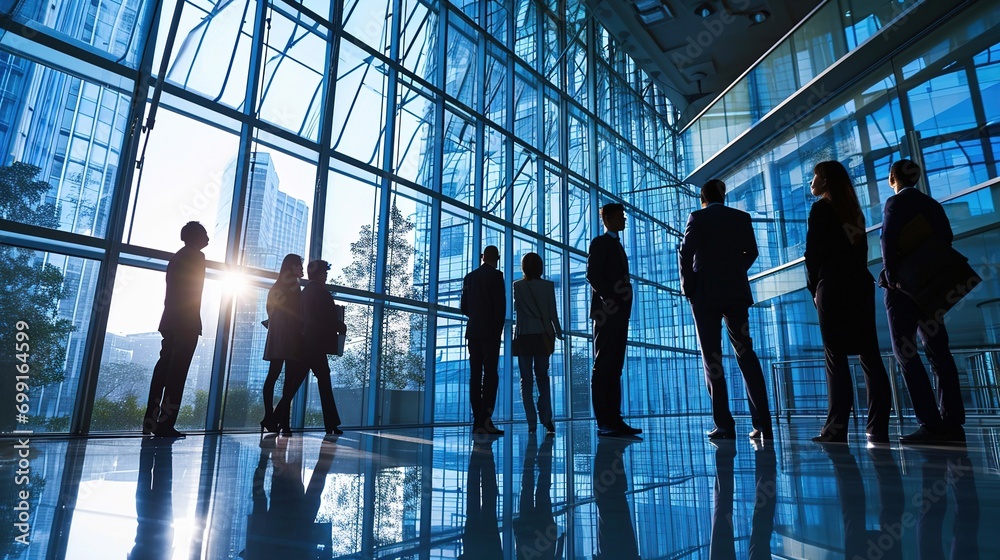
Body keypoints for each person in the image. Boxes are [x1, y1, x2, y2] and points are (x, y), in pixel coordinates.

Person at [805, 161, 892, 445]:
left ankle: (836, 428)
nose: (811, 181)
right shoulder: (854, 212)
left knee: (835, 358)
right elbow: (861, 253)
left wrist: (814, 290)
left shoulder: (820, 209)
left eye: (815, 176)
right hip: (858, 286)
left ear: (826, 181)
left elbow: (812, 256)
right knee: (870, 355)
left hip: (832, 286)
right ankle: (877, 427)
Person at [879, 159, 966, 445]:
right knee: (939, 352)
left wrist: (892, 278)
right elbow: (947, 239)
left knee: (906, 353)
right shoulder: (933, 205)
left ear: (893, 177)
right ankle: (953, 421)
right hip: (930, 289)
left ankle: (929, 423)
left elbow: (887, 243)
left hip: (903, 290)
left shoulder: (894, 203)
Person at [679, 180, 772, 441]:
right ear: (724, 195)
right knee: (746, 353)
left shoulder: (697, 217)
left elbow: (686, 255)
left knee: (713, 359)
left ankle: (724, 425)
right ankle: (763, 424)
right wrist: (734, 271)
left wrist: (690, 287)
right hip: (736, 293)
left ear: (702, 198)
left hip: (705, 295)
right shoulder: (741, 217)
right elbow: (751, 252)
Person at [143, 221, 208, 438]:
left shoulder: (177, 256)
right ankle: (165, 424)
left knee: (163, 372)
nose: (208, 238)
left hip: (170, 321)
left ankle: (150, 422)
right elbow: (193, 294)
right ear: (196, 237)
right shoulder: (196, 257)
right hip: (185, 323)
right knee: (176, 375)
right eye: (205, 234)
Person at [273, 259, 346, 436]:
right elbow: (326, 318)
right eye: (325, 273)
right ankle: (331, 424)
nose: (326, 276)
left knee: (295, 384)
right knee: (324, 382)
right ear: (320, 274)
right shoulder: (321, 293)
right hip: (316, 345)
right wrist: (341, 326)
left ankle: (276, 418)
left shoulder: (305, 292)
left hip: (305, 344)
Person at [587, 203, 641, 437]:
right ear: (607, 218)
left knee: (614, 366)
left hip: (618, 313)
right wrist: (608, 298)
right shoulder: (601, 243)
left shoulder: (616, 245)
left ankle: (614, 418)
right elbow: (593, 274)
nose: (624, 219)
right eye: (621, 216)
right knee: (604, 365)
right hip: (607, 313)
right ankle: (605, 421)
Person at [512, 252, 564, 434]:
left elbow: (516, 311)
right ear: (541, 267)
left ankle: (531, 422)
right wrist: (558, 332)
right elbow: (552, 313)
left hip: (524, 336)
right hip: (543, 337)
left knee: (526, 380)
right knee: (542, 378)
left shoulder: (517, 286)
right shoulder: (548, 286)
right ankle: (547, 419)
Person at [461, 245, 506, 436]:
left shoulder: (469, 277)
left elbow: (464, 307)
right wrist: (497, 330)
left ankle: (477, 421)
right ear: (498, 257)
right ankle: (485, 421)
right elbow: (500, 307)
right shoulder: (497, 277)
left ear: (482, 257)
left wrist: (476, 317)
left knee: (475, 376)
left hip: (473, 332)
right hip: (490, 333)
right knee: (490, 376)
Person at [260, 254, 305, 434]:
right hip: (291, 335)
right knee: (289, 380)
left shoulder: (276, 286)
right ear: (292, 267)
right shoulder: (295, 287)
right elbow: (299, 313)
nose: (301, 269)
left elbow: (270, 311)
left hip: (276, 335)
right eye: (299, 266)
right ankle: (284, 423)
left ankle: (269, 417)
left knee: (272, 376)